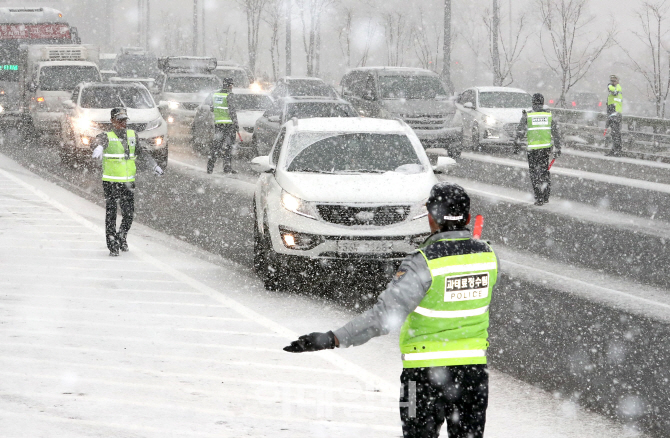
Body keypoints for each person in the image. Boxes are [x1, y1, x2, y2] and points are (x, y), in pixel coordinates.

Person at [284, 182, 499, 438]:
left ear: (432, 218)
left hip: (420, 377)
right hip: (473, 374)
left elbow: (383, 317)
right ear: (466, 216)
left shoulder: (422, 263)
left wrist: (333, 337)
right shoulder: (488, 257)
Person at [92, 108, 164, 256]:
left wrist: (153, 165)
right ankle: (112, 244)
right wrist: (98, 146)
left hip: (128, 182)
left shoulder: (132, 135)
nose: (123, 123)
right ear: (112, 121)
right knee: (111, 213)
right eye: (120, 120)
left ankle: (122, 236)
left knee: (129, 214)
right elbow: (98, 140)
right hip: (111, 181)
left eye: (125, 120)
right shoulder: (107, 136)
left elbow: (141, 153)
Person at [516, 93, 561, 206]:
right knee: (544, 171)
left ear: (532, 102)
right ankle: (546, 195)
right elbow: (556, 133)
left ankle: (538, 197)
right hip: (545, 149)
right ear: (542, 102)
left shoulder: (528, 115)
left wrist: (516, 144)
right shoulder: (549, 115)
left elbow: (520, 132)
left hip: (532, 149)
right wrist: (558, 147)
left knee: (534, 173)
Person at [206, 78, 239, 174]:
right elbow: (232, 111)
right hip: (229, 125)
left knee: (216, 146)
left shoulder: (216, 95)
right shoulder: (229, 95)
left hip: (219, 124)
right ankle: (227, 167)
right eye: (231, 85)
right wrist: (236, 124)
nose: (232, 87)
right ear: (229, 85)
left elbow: (212, 108)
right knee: (228, 147)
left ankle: (210, 167)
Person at [605, 74, 623, 156]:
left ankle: (617, 151)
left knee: (615, 134)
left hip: (615, 113)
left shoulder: (617, 88)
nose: (612, 82)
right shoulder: (616, 88)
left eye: (614, 81)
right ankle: (615, 150)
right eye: (611, 81)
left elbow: (614, 92)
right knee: (614, 133)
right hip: (613, 112)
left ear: (617, 81)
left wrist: (609, 86)